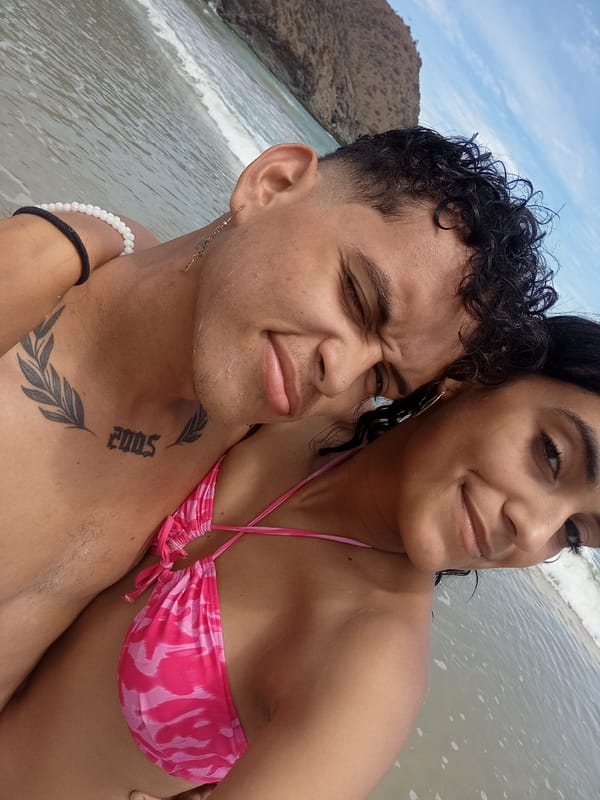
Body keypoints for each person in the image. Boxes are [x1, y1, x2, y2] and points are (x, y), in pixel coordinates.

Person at [0, 127, 556, 709]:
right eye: (358, 298)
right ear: (274, 183)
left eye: (380, 380)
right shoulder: (36, 279)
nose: (340, 377)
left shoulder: (250, 435)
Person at [2, 314, 597, 800]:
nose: (534, 528)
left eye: (573, 533)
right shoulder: (298, 402)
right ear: (483, 369)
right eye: (551, 454)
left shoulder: (368, 662)